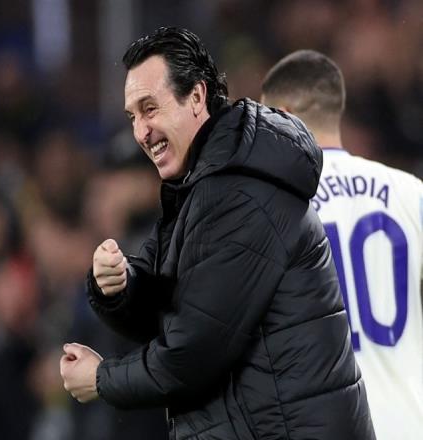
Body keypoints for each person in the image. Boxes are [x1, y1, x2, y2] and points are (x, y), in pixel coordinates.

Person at [60, 27, 375, 440]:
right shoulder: (204, 183)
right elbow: (171, 308)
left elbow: (192, 354)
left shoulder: (240, 192)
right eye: (133, 116)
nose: (141, 131)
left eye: (150, 108)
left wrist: (101, 378)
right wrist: (118, 286)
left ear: (196, 96)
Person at [261, 49, 423, 440]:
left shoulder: (273, 209)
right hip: (411, 421)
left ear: (285, 116)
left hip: (327, 425)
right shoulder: (412, 192)